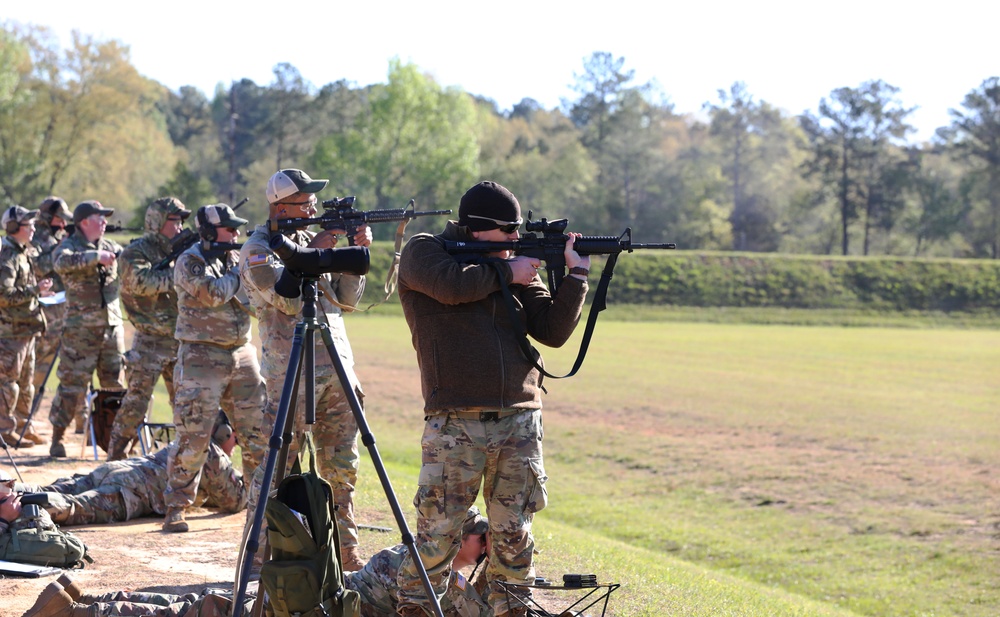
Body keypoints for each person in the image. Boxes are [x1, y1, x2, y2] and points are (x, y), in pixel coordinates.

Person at [394, 181, 590, 617]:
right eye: (507, 232)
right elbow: (450, 287)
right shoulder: (425, 251)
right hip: (455, 420)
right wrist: (507, 272)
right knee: (437, 537)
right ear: (478, 230)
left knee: (514, 537)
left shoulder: (512, 265)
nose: (514, 242)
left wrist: (576, 276)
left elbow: (552, 332)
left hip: (520, 419)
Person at [239, 168, 371, 570]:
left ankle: (346, 558)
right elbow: (288, 301)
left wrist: (351, 254)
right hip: (291, 378)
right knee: (275, 470)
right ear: (281, 207)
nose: (313, 207)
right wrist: (313, 250)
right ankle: (256, 560)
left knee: (341, 470)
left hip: (336, 373)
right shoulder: (258, 250)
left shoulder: (309, 242)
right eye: (304, 202)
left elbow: (346, 300)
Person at [163, 203, 267, 533]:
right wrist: (240, 273)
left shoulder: (232, 259)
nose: (236, 234)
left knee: (258, 434)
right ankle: (177, 506)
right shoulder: (190, 260)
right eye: (229, 229)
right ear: (209, 232)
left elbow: (254, 303)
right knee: (193, 436)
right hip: (200, 358)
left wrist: (252, 271)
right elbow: (212, 293)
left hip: (241, 354)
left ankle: (262, 508)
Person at [17, 417, 245, 526]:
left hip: (119, 470)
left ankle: (12, 491)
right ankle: (18, 508)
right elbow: (234, 500)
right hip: (131, 490)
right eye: (235, 438)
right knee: (75, 508)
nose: (235, 445)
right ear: (224, 432)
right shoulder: (212, 453)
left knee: (62, 488)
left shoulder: (187, 439)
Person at [108, 197, 191, 460]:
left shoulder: (183, 250)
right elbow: (141, 282)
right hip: (149, 342)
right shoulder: (136, 252)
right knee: (135, 404)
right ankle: (115, 459)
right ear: (156, 222)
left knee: (186, 406)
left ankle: (183, 463)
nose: (179, 227)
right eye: (173, 220)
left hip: (179, 339)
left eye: (181, 221)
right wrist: (179, 275)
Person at [48, 200, 126, 458]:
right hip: (80, 332)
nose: (104, 222)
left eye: (105, 218)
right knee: (72, 386)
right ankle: (57, 437)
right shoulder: (69, 247)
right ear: (83, 222)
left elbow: (130, 260)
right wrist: (95, 258)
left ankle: (114, 444)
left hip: (111, 329)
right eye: (99, 218)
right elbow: (60, 263)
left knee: (114, 388)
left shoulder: (111, 246)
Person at [348, 506, 492, 617]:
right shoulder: (429, 573)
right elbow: (485, 613)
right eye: (482, 539)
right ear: (456, 541)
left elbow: (475, 600)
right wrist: (497, 561)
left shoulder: (428, 559)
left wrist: (491, 560)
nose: (486, 545)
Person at [0, 205, 53, 448]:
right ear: (14, 228)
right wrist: (35, 290)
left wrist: (38, 291)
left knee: (25, 383)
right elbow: (4, 295)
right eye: (28, 224)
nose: (33, 228)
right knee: (7, 382)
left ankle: (23, 426)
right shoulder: (8, 256)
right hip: (11, 332)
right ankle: (4, 430)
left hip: (26, 329)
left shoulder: (22, 253)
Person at [24, 196, 72, 445]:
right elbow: (38, 267)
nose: (62, 223)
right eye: (58, 218)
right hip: (43, 314)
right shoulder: (34, 237)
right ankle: (24, 421)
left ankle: (79, 424)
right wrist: (59, 249)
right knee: (36, 372)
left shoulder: (55, 237)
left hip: (63, 311)